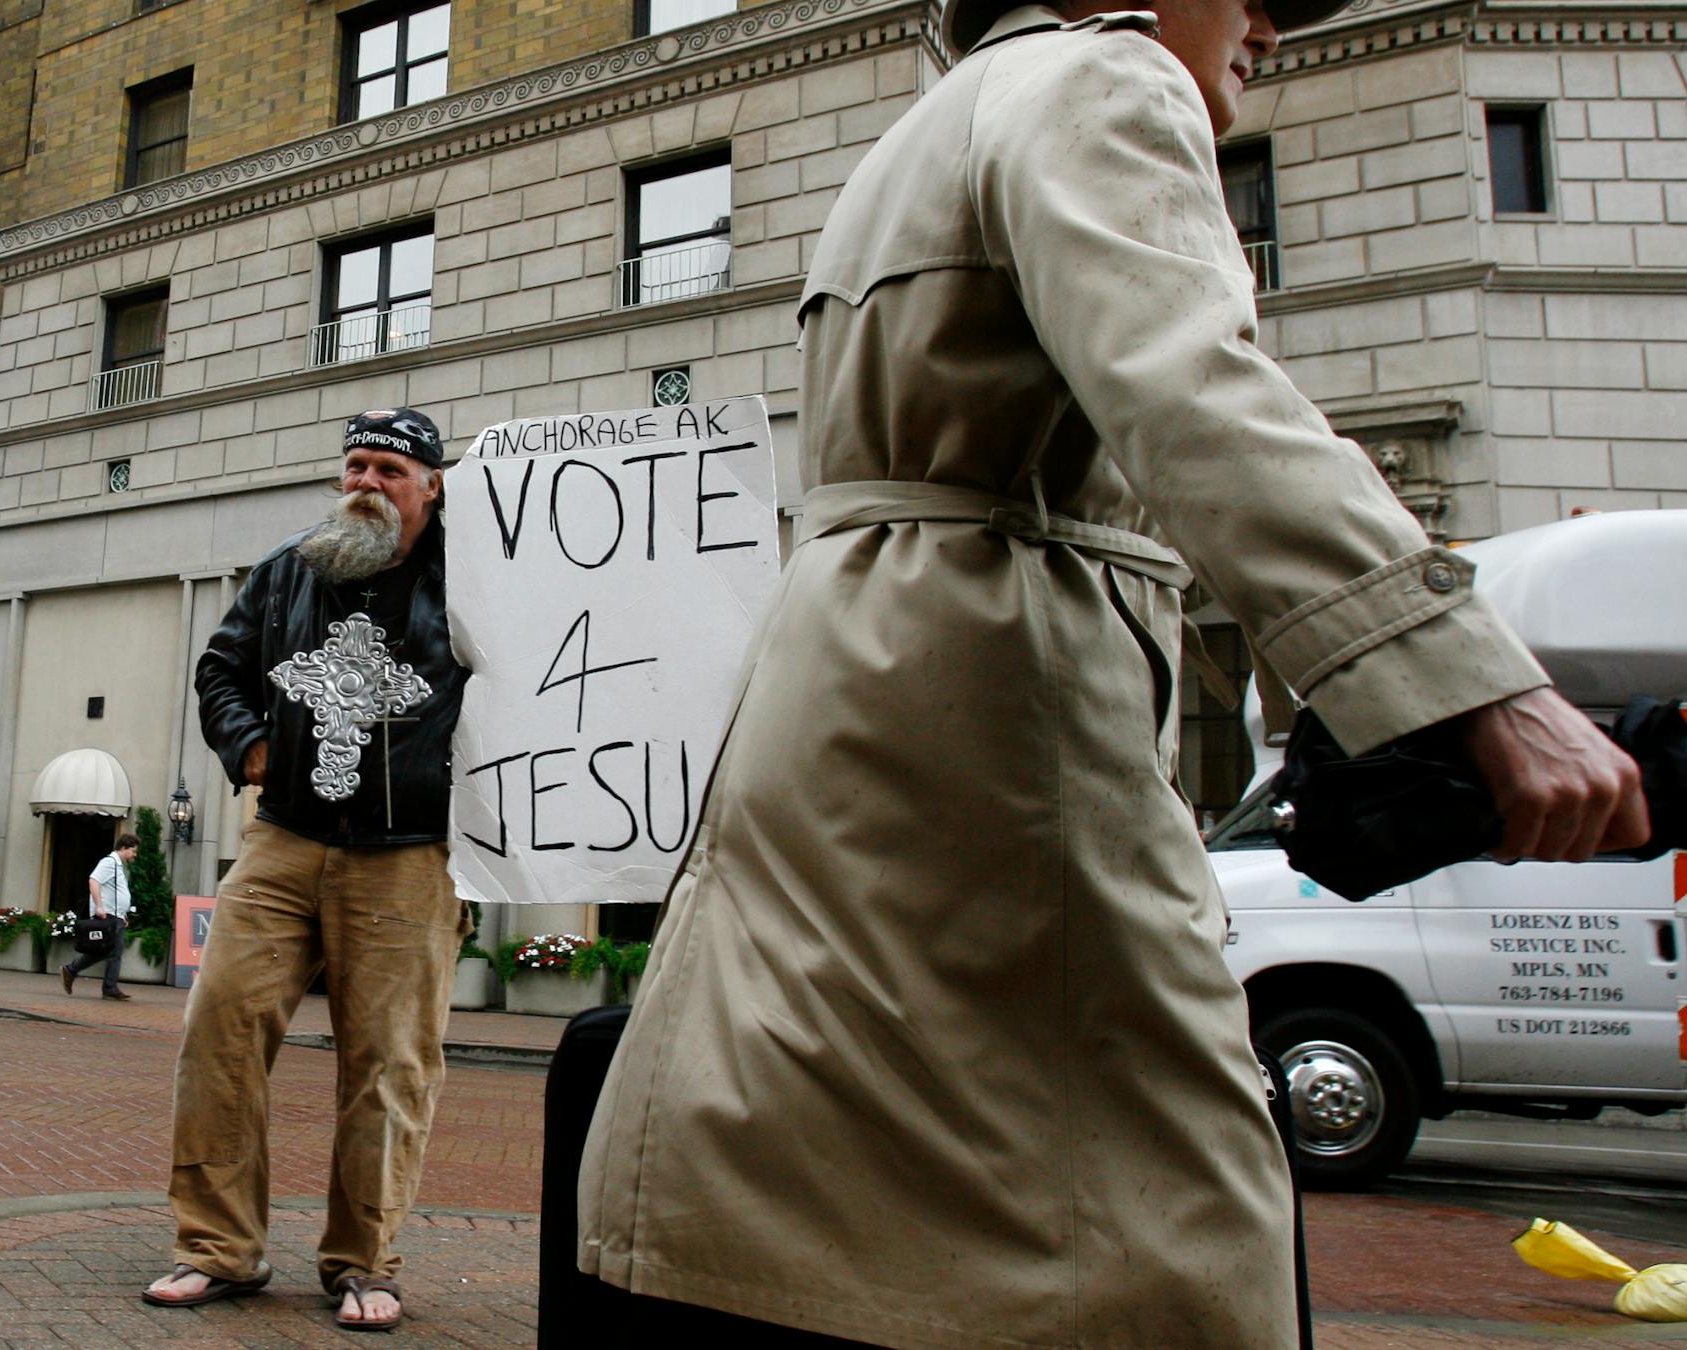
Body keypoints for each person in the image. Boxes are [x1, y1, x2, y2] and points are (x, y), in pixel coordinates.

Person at [575, 0, 1649, 1344]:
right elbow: (1199, 388)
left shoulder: (932, 122)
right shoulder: (1111, 79)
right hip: (1006, 698)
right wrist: (1477, 680)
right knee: (1169, 1202)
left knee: (827, 1135)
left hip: (855, 686)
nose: (1273, 23)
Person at [144, 408, 471, 1334]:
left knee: (390, 1065)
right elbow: (221, 667)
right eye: (356, 466)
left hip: (408, 856)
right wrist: (249, 747)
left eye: (390, 471)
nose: (368, 483)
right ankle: (217, 1248)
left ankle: (365, 1261)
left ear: (431, 485)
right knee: (221, 1032)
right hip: (284, 840)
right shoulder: (294, 567)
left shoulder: (476, 577)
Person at [60, 833, 136, 1001]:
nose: (134, 855)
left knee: (104, 950)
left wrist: (121, 914)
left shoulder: (117, 865)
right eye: (133, 851)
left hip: (114, 915)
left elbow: (114, 892)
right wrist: (99, 907)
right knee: (114, 951)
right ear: (123, 848)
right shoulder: (109, 863)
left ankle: (71, 970)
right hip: (108, 915)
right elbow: (94, 881)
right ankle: (109, 988)